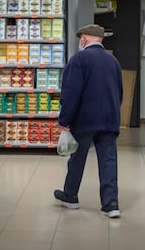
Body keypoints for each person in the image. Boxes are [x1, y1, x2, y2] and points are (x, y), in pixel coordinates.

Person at [53, 24, 123, 218]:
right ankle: (111, 204)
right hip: (109, 119)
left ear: (85, 38)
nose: (80, 41)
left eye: (81, 38)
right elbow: (119, 92)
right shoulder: (113, 61)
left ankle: (70, 195)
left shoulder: (79, 59)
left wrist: (65, 119)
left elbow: (71, 93)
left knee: (77, 158)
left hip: (84, 120)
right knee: (108, 160)